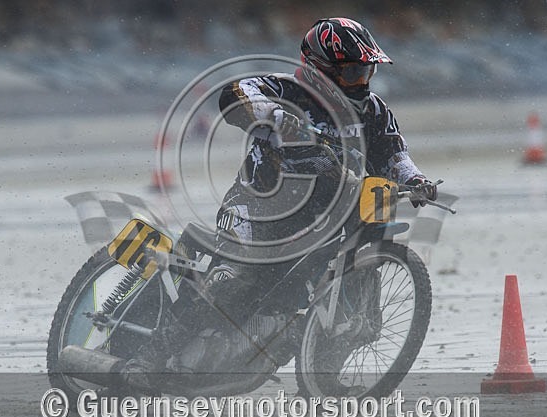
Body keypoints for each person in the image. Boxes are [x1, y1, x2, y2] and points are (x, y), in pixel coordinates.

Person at [122, 17, 437, 390]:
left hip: (323, 222)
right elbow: (234, 93)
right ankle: (147, 360)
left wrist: (416, 181)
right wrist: (272, 114)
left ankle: (321, 382)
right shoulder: (284, 90)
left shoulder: (374, 110)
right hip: (255, 213)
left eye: (366, 71)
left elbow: (393, 154)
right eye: (352, 72)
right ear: (321, 71)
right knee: (232, 282)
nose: (362, 81)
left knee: (346, 289)